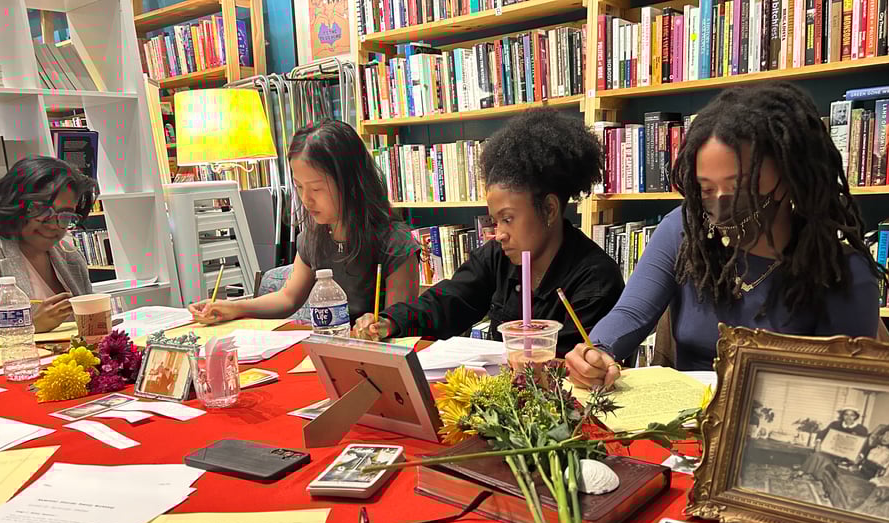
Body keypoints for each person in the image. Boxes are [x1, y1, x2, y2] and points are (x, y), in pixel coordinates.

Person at [566, 82, 887, 386]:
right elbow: (630, 312)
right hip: (684, 429)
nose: (721, 202)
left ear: (789, 178)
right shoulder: (683, 231)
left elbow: (841, 391)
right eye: (706, 188)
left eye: (737, 187)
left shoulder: (844, 275)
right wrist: (597, 351)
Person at [352, 108, 624, 356]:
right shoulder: (497, 256)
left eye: (508, 219)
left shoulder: (596, 281)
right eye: (495, 222)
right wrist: (390, 321)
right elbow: (448, 301)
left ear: (550, 210)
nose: (500, 234)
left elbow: (568, 366)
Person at [188, 120, 420, 326]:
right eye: (299, 187)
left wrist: (380, 326)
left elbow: (399, 324)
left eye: (317, 188)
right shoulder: (315, 233)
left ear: (351, 183)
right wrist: (234, 308)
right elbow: (289, 297)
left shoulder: (394, 242)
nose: (306, 199)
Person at [0, 156, 99, 339]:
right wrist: (29, 322)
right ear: (14, 203)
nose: (53, 224)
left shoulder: (70, 257)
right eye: (41, 210)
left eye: (66, 215)